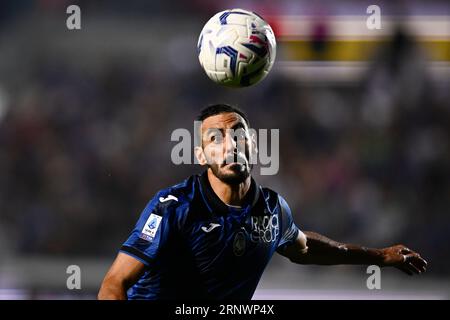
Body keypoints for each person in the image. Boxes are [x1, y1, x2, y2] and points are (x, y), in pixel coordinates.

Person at [98, 104, 427, 300]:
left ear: (254, 146)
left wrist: (380, 256)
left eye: (238, 135)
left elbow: (305, 248)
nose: (230, 145)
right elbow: (115, 283)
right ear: (200, 155)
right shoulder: (175, 206)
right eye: (215, 139)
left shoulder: (271, 208)